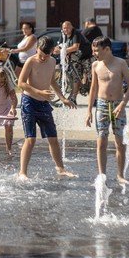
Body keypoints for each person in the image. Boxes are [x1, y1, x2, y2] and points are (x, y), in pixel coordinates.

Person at [17, 36, 78, 181]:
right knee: (30, 139)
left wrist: (63, 98)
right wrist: (39, 92)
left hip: (44, 103)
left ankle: (61, 168)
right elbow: (21, 83)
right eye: (41, 54)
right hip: (29, 102)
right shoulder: (31, 61)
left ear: (52, 52)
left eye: (47, 55)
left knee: (53, 138)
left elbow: (52, 81)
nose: (43, 58)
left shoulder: (52, 61)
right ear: (37, 48)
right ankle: (22, 172)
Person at [85, 36, 129, 184]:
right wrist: (88, 110)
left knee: (120, 142)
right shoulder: (95, 65)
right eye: (93, 50)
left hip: (118, 105)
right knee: (101, 142)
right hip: (102, 105)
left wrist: (123, 104)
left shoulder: (121, 63)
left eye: (96, 50)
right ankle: (102, 175)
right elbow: (93, 88)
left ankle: (120, 175)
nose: (94, 53)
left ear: (107, 49)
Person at [54, 20, 90, 99]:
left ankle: (76, 96)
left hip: (85, 55)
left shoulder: (76, 34)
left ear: (72, 27)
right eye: (64, 28)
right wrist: (55, 49)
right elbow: (59, 45)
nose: (66, 29)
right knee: (75, 76)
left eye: (67, 28)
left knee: (83, 76)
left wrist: (62, 51)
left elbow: (75, 47)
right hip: (75, 56)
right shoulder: (63, 34)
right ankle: (74, 96)